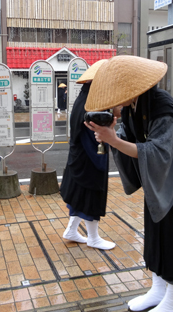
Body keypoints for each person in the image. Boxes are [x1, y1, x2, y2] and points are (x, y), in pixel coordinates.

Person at [85, 55, 173, 312]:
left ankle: (171, 302)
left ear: (131, 90)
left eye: (116, 95)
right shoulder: (134, 107)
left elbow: (159, 153)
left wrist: (114, 141)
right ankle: (157, 290)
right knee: (155, 237)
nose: (115, 103)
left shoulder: (162, 107)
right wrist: (115, 133)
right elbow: (135, 145)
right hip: (157, 183)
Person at [60, 59, 115, 250]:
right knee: (90, 197)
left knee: (79, 197)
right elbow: (95, 137)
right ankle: (93, 237)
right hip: (90, 160)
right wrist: (103, 158)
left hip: (79, 159)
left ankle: (71, 231)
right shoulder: (93, 105)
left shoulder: (83, 99)